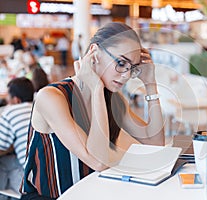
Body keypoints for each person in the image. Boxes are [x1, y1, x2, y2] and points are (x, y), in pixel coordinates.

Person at [20, 22, 165, 199]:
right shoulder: (51, 97)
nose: (126, 75)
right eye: (121, 63)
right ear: (94, 53)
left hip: (93, 193)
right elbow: (98, 161)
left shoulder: (114, 100)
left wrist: (150, 84)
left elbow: (156, 144)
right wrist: (95, 89)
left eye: (132, 68)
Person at [0, 77, 34, 194]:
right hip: (51, 170)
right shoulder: (37, 107)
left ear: (16, 100)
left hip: (32, 176)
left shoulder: (10, 112)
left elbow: (1, 146)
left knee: (3, 162)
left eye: (8, 97)